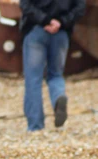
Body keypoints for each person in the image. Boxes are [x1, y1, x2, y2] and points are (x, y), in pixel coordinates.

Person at [19, 0, 85, 132]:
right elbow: (80, 7)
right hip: (61, 33)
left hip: (36, 30)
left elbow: (25, 4)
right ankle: (58, 97)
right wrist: (61, 21)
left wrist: (45, 21)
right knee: (56, 74)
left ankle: (35, 125)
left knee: (33, 79)